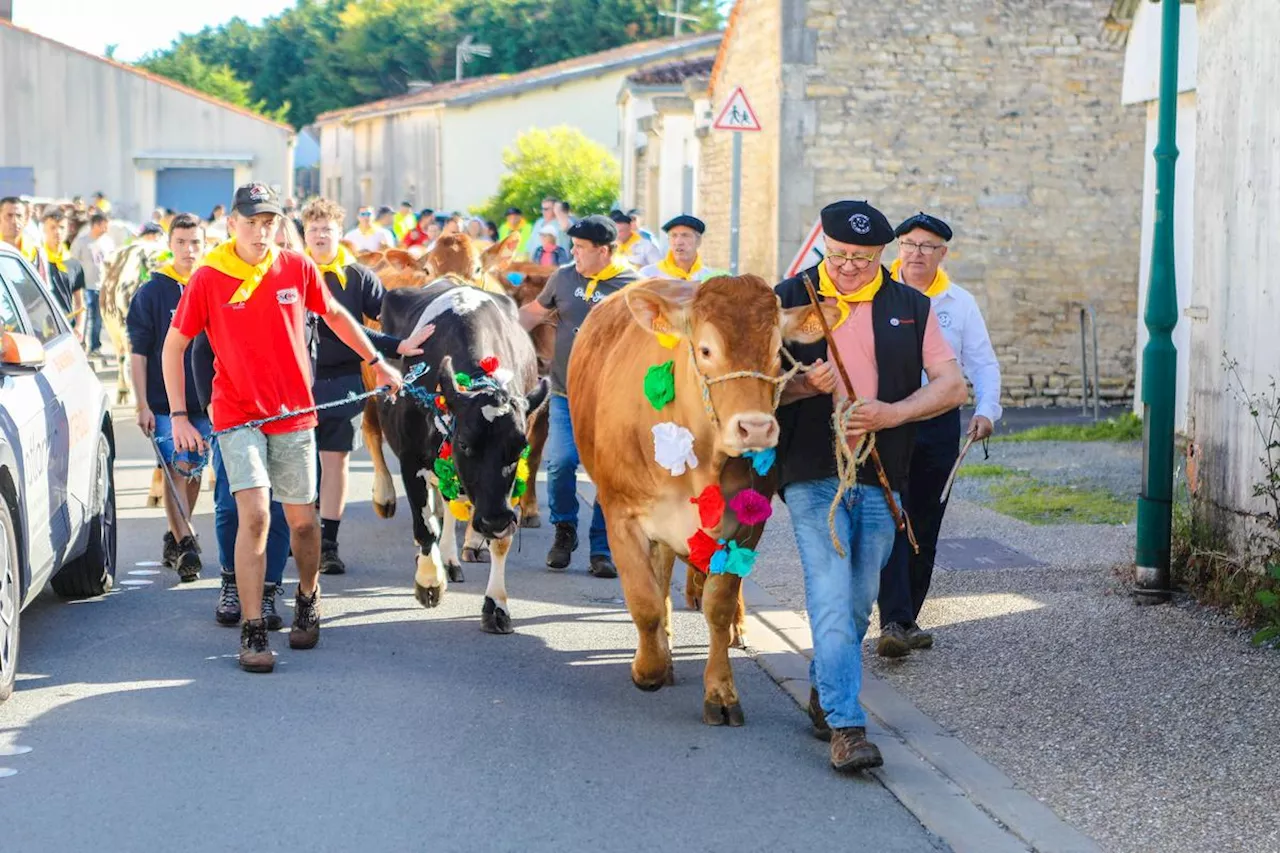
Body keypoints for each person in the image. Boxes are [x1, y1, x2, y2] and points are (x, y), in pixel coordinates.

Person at [164, 182, 405, 674]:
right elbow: (175, 346)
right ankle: (253, 631)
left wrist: (377, 361)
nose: (261, 230)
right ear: (232, 224)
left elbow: (336, 315)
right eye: (251, 221)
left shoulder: (296, 268)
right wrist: (179, 414)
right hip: (236, 415)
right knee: (255, 515)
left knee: (302, 522)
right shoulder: (210, 276)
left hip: (295, 413)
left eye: (269, 221)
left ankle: (308, 595)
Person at [774, 200, 966, 774]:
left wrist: (893, 413)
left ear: (882, 254)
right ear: (823, 247)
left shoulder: (911, 306)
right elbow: (750, 388)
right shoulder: (788, 299)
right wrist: (803, 386)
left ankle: (824, 687)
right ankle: (847, 726)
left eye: (860, 259)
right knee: (830, 596)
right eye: (836, 256)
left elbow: (953, 386)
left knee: (859, 604)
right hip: (812, 473)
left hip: (886, 474)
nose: (848, 268)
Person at [875, 212, 1002, 656]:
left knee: (925, 521)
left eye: (927, 246)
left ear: (942, 253)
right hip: (887, 421)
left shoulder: (958, 303)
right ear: (897, 249)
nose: (916, 253)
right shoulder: (877, 294)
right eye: (909, 244)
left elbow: (983, 364)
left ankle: (906, 618)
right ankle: (892, 617)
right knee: (891, 517)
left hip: (939, 424)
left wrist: (987, 411)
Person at [301, 197, 436, 574]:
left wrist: (406, 343)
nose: (320, 235)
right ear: (304, 234)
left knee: (335, 463)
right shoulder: (289, 272)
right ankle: (301, 535)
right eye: (313, 230)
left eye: (327, 229)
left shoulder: (358, 276)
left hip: (343, 381)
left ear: (339, 233)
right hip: (295, 386)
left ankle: (328, 543)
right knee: (298, 466)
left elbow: (384, 321)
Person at [518, 214, 634, 579]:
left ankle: (602, 547)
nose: (574, 253)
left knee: (606, 473)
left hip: (612, 397)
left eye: (581, 248)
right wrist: (491, 326)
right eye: (574, 246)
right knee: (561, 462)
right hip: (565, 392)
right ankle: (564, 531)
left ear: (603, 250)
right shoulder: (563, 277)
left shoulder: (632, 285)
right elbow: (532, 315)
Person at [127, 213, 211, 582]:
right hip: (163, 403)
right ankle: (187, 542)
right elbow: (139, 352)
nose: (188, 250)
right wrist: (142, 403)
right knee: (177, 467)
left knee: (193, 471)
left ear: (204, 244)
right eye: (181, 242)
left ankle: (178, 535)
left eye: (195, 243)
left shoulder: (214, 284)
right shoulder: (152, 291)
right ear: (169, 244)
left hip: (205, 400)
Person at [71, 211, 112, 355]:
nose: (106, 229)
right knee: (85, 317)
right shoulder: (81, 241)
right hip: (84, 286)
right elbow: (72, 262)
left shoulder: (107, 242)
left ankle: (95, 346)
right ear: (95, 225)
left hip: (102, 286)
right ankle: (81, 345)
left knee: (98, 319)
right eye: (104, 226)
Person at [637, 215, 721, 282]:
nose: (678, 242)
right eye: (673, 236)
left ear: (698, 241)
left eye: (685, 235)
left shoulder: (709, 279)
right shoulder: (648, 275)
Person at [39, 208, 84, 318]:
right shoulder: (37, 259)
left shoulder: (74, 264)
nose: (58, 232)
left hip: (66, 325)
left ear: (68, 230)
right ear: (44, 229)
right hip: (41, 326)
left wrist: (79, 327)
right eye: (53, 227)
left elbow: (79, 303)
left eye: (62, 227)